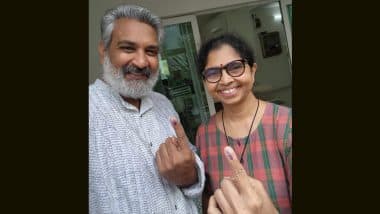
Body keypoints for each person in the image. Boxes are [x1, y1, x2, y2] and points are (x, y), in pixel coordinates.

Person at [89, 4, 205, 213]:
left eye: (151, 51)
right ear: (103, 51)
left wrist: (189, 175)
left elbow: (190, 159)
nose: (142, 62)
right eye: (128, 48)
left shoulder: (163, 103)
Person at [195, 33, 292, 213]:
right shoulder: (204, 134)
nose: (225, 80)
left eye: (235, 67)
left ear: (253, 70)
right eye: (213, 73)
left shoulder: (286, 124)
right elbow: (208, 200)